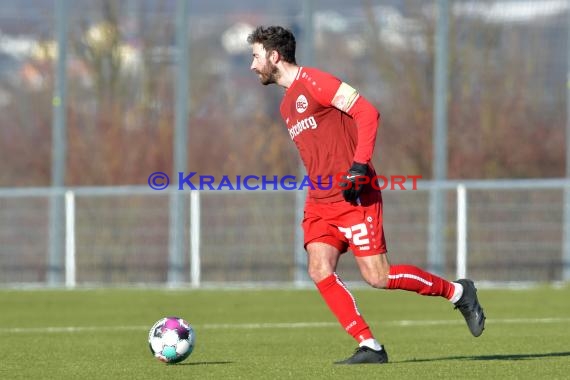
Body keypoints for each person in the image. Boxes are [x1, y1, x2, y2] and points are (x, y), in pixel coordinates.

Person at [247, 25, 485, 364]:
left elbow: (367, 113)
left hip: (354, 196)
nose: (253, 65)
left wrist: (359, 166)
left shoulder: (316, 83)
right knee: (319, 269)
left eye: (256, 57)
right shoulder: (287, 106)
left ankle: (459, 292)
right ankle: (369, 345)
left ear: (274, 56)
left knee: (378, 277)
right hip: (320, 202)